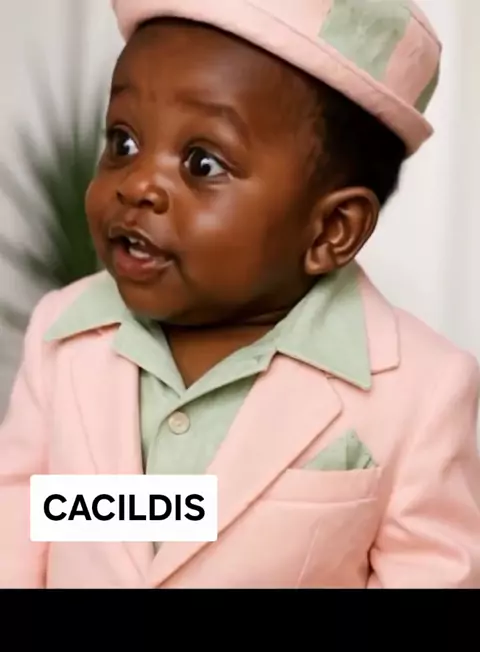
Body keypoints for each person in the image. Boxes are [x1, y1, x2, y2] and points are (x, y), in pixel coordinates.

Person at [1, 0, 479, 589]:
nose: (139, 184)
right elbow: (18, 530)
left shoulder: (420, 392)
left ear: (331, 230)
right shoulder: (62, 336)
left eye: (202, 163)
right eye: (123, 142)